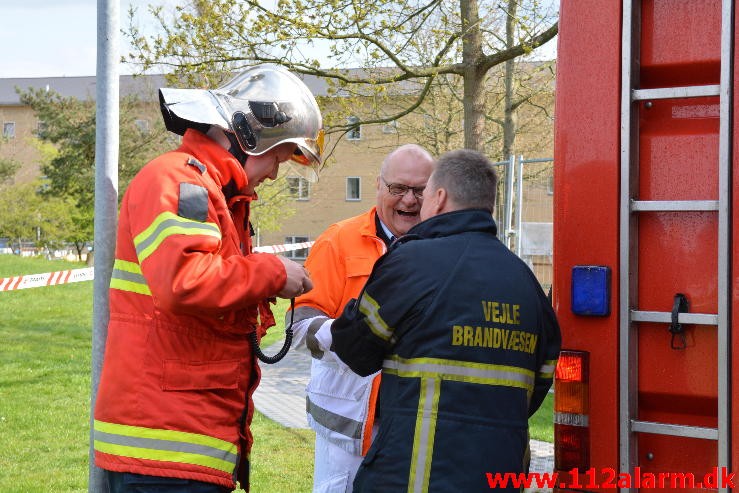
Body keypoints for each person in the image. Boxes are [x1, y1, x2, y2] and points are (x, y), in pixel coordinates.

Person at [93, 64, 322, 493]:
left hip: (181, 442)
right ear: (249, 135)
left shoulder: (213, 192)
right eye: (277, 156)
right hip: (164, 448)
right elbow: (185, 280)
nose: (274, 173)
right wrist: (273, 274)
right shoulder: (181, 180)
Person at [330, 149, 561, 492]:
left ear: (438, 198)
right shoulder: (527, 284)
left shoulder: (412, 263)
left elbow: (355, 351)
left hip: (410, 478)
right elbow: (536, 387)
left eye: (423, 196)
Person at [286, 144, 435, 492]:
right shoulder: (339, 240)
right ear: (378, 187)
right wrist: (353, 340)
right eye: (398, 188)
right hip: (348, 429)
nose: (409, 200)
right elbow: (299, 324)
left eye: (419, 190)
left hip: (417, 424)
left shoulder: (443, 246)